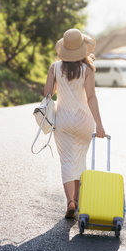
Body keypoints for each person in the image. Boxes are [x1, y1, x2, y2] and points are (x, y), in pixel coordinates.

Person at [43, 28, 106, 219]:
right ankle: (77, 201)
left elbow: (47, 94)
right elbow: (91, 97)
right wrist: (100, 125)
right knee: (79, 160)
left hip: (62, 120)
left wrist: (57, 84)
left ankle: (70, 201)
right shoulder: (87, 69)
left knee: (67, 161)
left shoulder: (54, 67)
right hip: (83, 121)